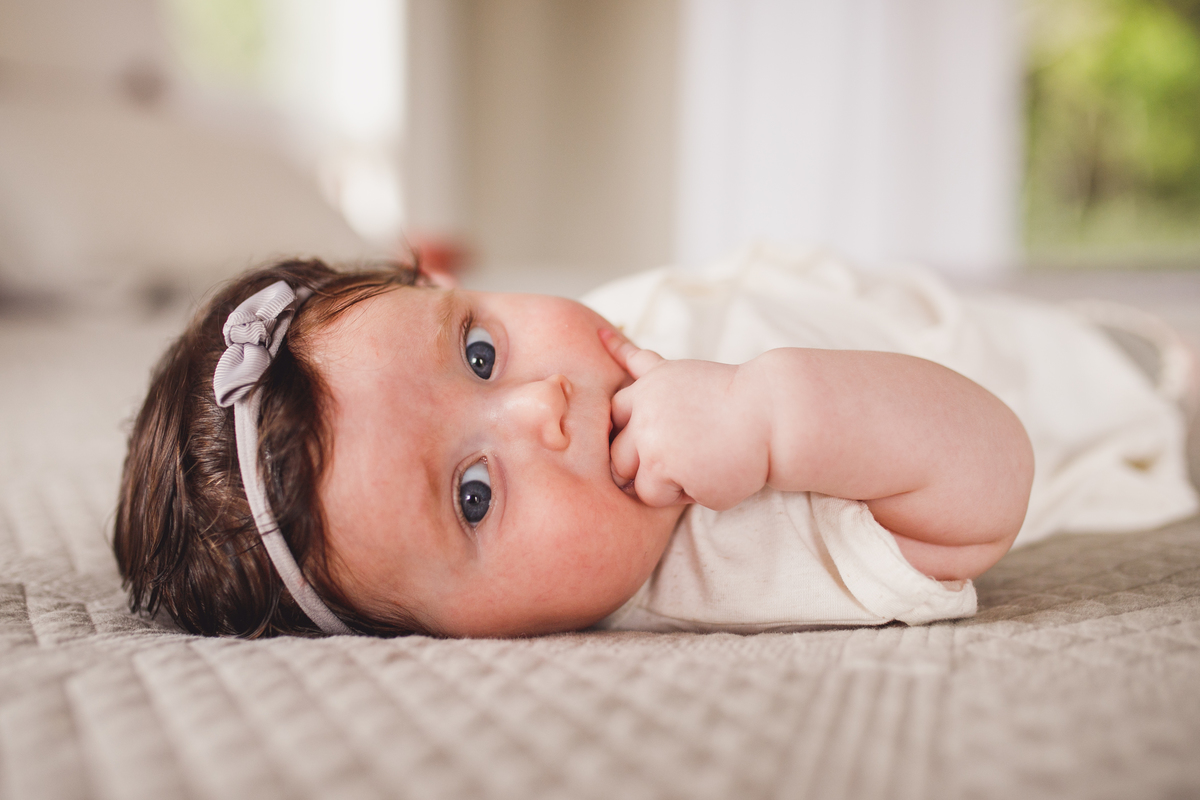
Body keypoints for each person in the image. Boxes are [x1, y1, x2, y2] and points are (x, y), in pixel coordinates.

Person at [113, 245, 1198, 638]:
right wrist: (770, 424)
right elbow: (992, 471)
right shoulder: (726, 555)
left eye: (480, 353)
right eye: (475, 495)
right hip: (1051, 381)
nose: (542, 407)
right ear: (450, 638)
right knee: (1135, 370)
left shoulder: (591, 355)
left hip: (883, 295)